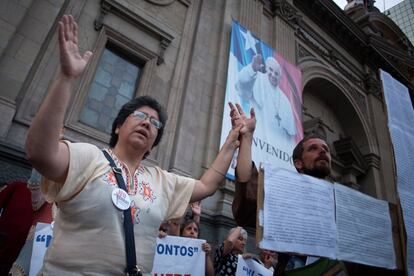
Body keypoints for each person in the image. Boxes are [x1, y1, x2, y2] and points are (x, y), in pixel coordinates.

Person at [25, 14, 241, 275]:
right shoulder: (88, 157)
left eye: (154, 123)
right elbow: (40, 153)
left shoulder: (162, 181)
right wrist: (66, 77)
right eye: (140, 115)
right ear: (118, 126)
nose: (147, 122)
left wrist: (232, 139)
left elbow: (207, 185)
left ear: (153, 143)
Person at [229, 103, 334, 273]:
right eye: (313, 149)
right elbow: (248, 184)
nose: (322, 151)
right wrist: (247, 137)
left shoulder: (338, 201)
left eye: (325, 149)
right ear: (298, 163)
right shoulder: (284, 192)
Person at [236, 54, 296, 147]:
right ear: (266, 68)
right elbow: (242, 82)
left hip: (275, 147)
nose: (273, 74)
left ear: (280, 78)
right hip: (255, 138)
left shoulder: (285, 101)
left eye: (276, 73)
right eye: (271, 70)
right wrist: (252, 68)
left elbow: (290, 135)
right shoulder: (257, 78)